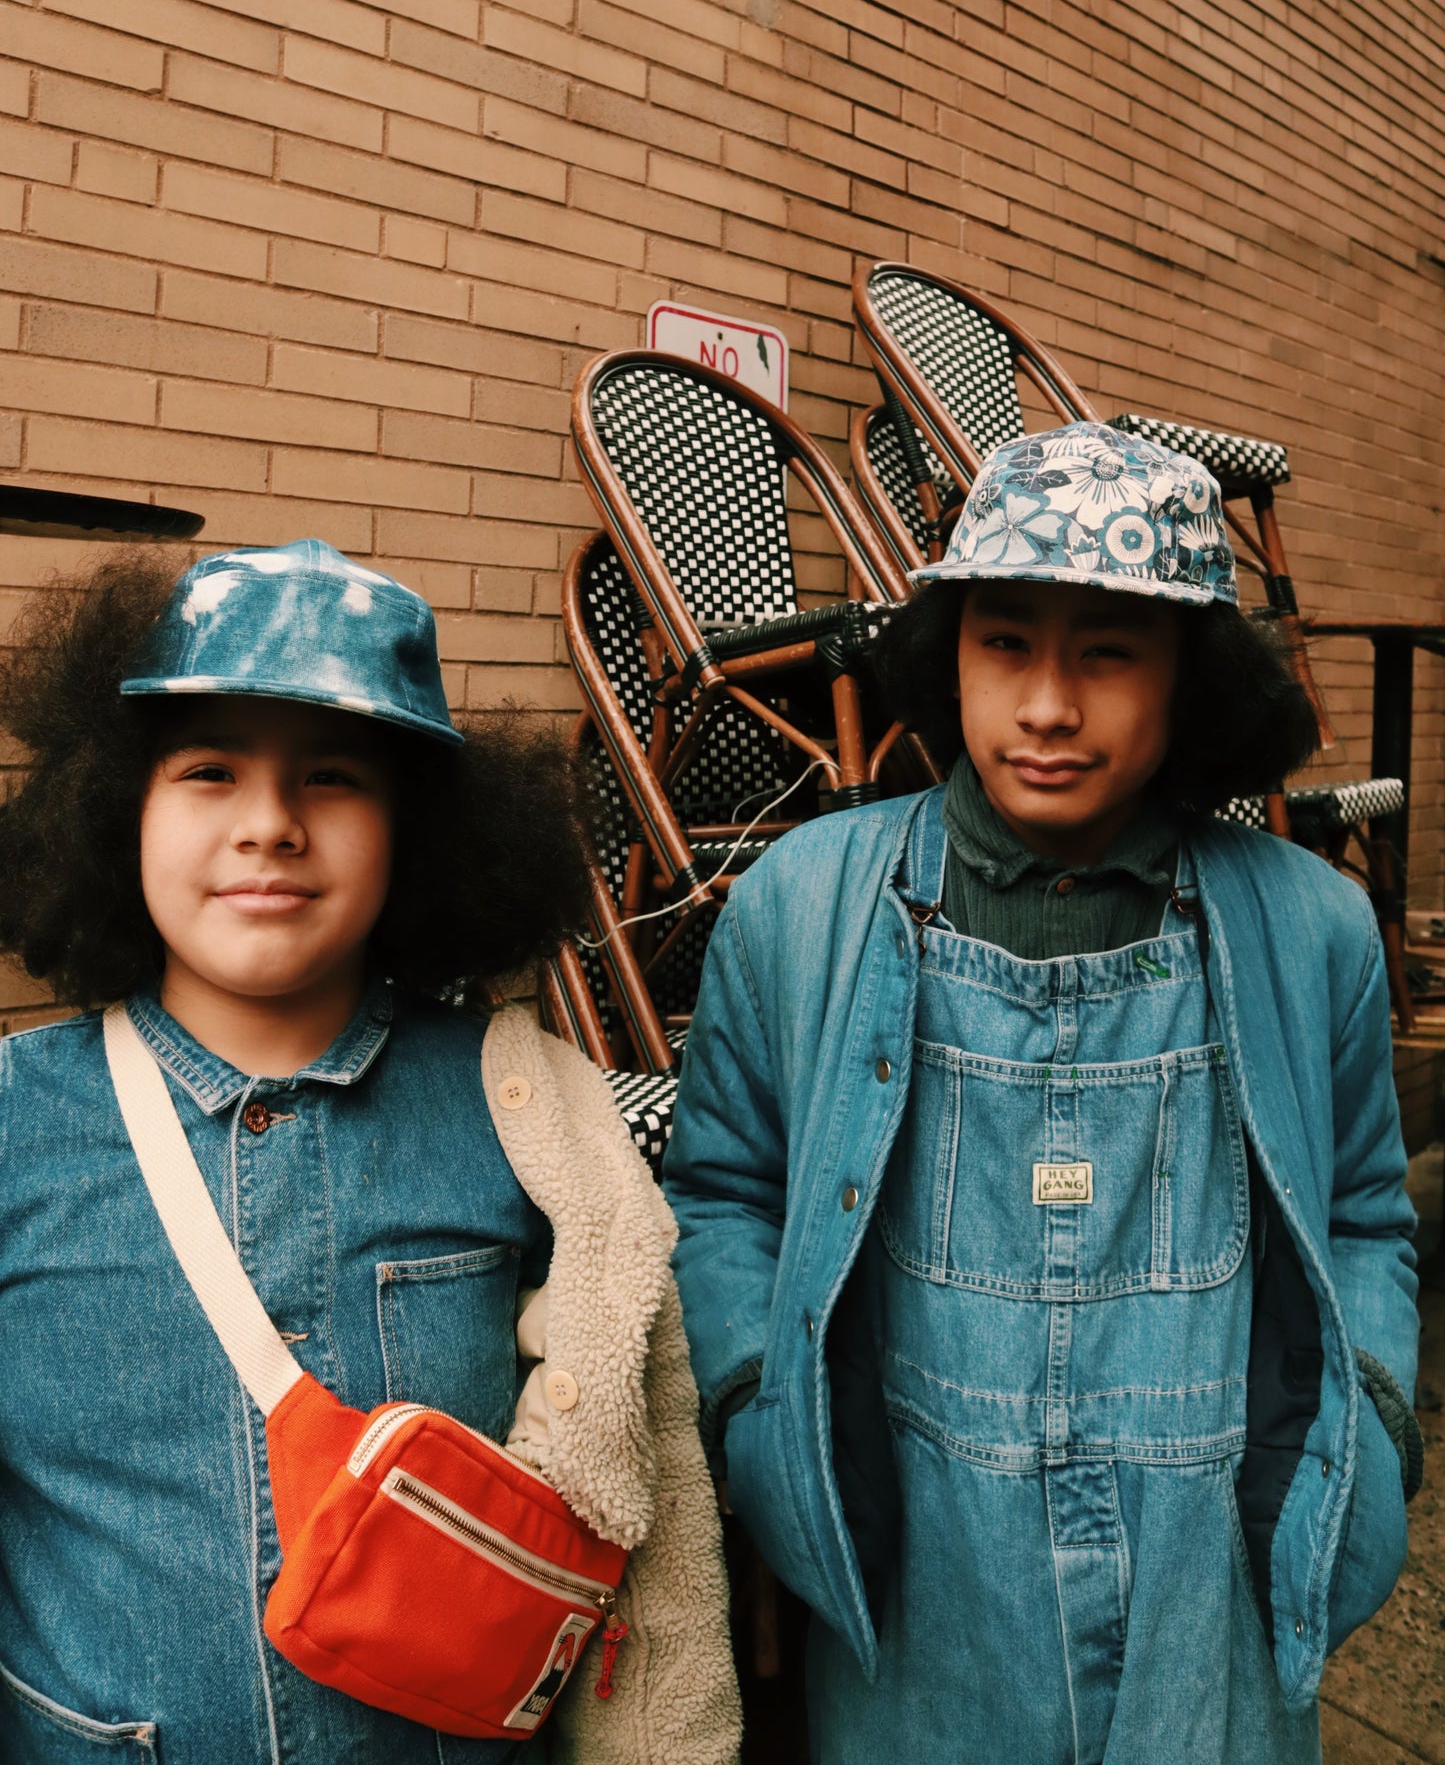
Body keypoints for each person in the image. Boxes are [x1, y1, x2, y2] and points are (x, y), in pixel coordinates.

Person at [664, 423, 1421, 1764]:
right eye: (1005, 643)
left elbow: (1363, 1211)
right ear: (948, 655)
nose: (1049, 706)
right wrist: (756, 1420)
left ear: (1190, 679)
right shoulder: (801, 907)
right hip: (914, 1598)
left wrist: (1365, 1425)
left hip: (1216, 1602)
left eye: (1108, 653)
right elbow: (727, 1192)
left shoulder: (1310, 931)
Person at [0, 539, 739, 1765]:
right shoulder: (18, 1120)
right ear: (114, 805)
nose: (270, 825)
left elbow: (634, 1524)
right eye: (209, 769)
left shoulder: (521, 1113)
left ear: (417, 829)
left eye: (332, 776)